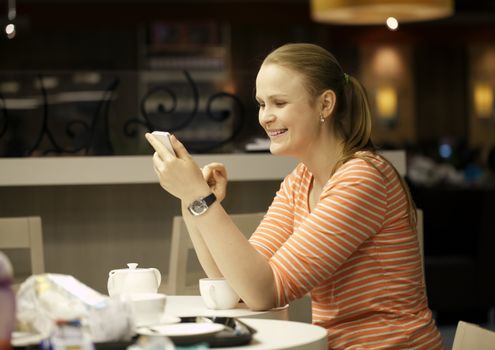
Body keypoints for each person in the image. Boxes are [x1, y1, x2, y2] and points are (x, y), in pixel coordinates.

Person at [145, 43, 444, 349]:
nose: (265, 117)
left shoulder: (362, 178)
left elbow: (265, 291)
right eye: (262, 104)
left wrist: (201, 198)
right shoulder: (300, 181)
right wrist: (192, 198)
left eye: (279, 102)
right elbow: (237, 284)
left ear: (325, 104)